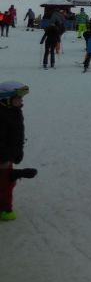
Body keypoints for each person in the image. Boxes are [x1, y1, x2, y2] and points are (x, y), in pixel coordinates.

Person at [0, 81, 38, 221]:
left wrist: (18, 152)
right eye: (18, 99)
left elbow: (17, 134)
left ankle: (5, 207)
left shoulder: (14, 111)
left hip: (8, 155)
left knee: (6, 182)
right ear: (6, 100)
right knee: (5, 184)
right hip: (2, 157)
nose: (21, 101)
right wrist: (4, 157)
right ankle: (5, 209)